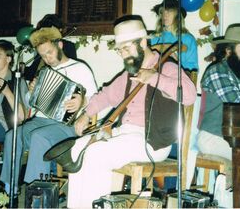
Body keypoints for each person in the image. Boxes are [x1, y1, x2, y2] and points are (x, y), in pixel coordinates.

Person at [67, 16, 197, 207]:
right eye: (119, 50)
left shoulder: (168, 67)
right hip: (124, 134)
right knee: (76, 149)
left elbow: (189, 95)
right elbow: (105, 96)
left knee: (97, 153)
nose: (122, 54)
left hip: (152, 141)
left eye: (126, 48)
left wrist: (154, 77)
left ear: (143, 42)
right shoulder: (129, 75)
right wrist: (86, 114)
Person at [0, 27, 97, 196]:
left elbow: (97, 99)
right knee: (11, 136)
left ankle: (36, 195)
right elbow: (32, 104)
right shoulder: (43, 72)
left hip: (67, 124)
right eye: (43, 55)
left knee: (39, 137)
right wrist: (32, 91)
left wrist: (82, 100)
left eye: (49, 53)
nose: (47, 58)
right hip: (40, 121)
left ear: (59, 45)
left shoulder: (80, 68)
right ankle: (9, 191)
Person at [196, 23, 240, 187]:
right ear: (228, 50)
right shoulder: (217, 71)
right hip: (213, 137)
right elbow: (237, 102)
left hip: (233, 138)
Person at [150, 0, 199, 72]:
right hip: (155, 80)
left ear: (177, 15)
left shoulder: (188, 39)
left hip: (178, 81)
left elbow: (193, 69)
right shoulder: (154, 38)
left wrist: (176, 61)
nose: (165, 15)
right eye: (163, 12)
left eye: (169, 11)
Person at [23, 14, 77, 81]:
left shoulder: (68, 46)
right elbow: (33, 71)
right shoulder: (41, 47)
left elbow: (71, 69)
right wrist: (21, 70)